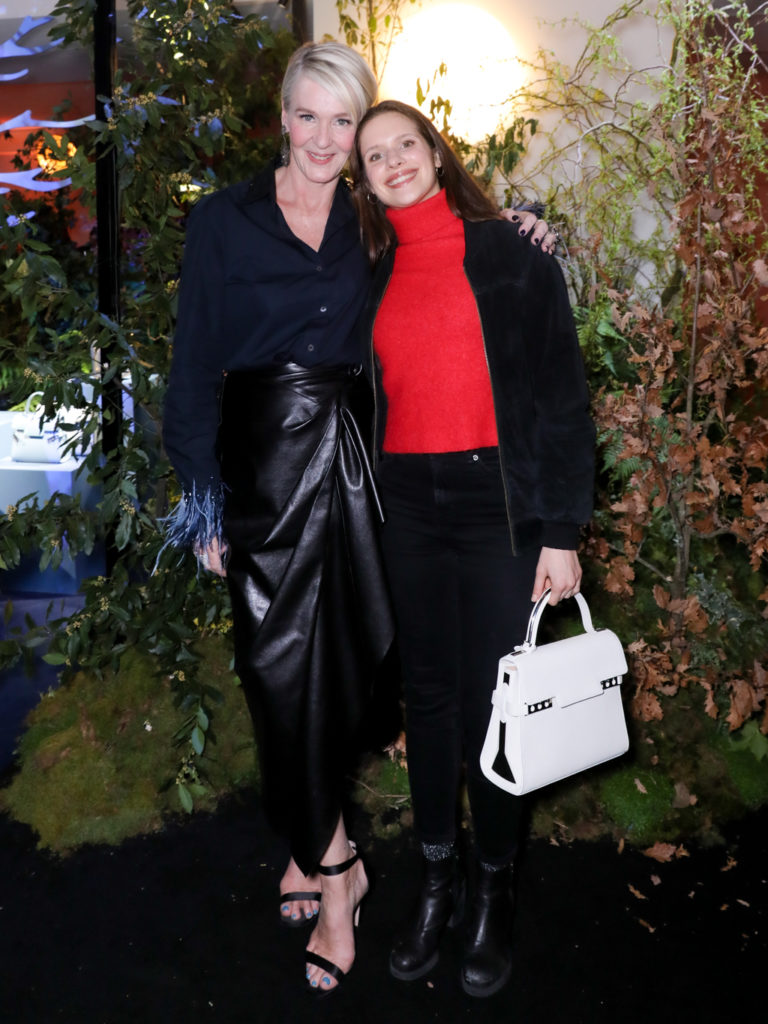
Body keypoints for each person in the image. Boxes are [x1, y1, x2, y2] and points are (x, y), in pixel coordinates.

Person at [162, 42, 554, 995]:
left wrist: (523, 227)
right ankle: (336, 866)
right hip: (263, 469)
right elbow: (193, 367)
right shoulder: (224, 220)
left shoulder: (372, 222)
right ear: (282, 117)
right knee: (274, 672)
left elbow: (453, 250)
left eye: (344, 122)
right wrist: (203, 500)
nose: (324, 139)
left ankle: (321, 857)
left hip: (362, 467)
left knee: (351, 672)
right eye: (308, 115)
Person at [349, 100, 595, 998]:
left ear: (435, 151)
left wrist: (561, 532)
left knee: (496, 705)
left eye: (403, 145)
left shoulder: (511, 253)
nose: (392, 163)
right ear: (363, 180)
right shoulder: (368, 268)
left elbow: (562, 399)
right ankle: (436, 882)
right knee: (428, 700)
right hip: (408, 507)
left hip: (499, 506)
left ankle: (494, 889)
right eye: (374, 157)